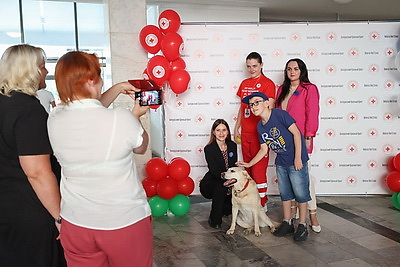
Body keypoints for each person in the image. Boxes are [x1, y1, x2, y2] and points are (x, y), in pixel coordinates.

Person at [47, 51, 153, 266]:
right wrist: (136, 116)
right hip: (123, 222)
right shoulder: (121, 118)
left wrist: (117, 88)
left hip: (76, 224)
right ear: (91, 80)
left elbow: (89, 112)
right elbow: (141, 147)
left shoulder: (54, 118)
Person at [0, 44, 66, 266]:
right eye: (42, 66)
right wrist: (59, 218)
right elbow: (37, 172)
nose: (46, 72)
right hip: (30, 211)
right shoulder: (27, 110)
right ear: (29, 70)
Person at [237, 92, 311, 242]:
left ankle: (303, 224)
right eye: (251, 104)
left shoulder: (279, 114)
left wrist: (298, 158)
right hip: (282, 161)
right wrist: (250, 163)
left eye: (256, 102)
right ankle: (287, 222)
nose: (253, 106)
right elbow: (264, 149)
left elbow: (297, 134)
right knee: (285, 193)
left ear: (266, 103)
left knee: (300, 193)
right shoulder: (260, 126)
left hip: (296, 159)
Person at [275, 58, 321, 233]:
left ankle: (312, 213)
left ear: (301, 70)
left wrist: (309, 136)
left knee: (304, 178)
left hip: (301, 138)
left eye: (295, 68)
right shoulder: (282, 89)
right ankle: (292, 214)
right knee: (288, 178)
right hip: (283, 140)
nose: (292, 72)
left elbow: (313, 112)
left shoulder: (309, 89)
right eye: (288, 69)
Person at [234, 52, 276, 210]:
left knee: (258, 172)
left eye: (255, 66)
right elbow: (242, 107)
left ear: (261, 65)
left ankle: (262, 204)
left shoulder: (268, 83)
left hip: (260, 135)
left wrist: (267, 133)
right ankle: (252, 203)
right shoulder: (244, 83)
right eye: (249, 66)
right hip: (245, 134)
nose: (251, 69)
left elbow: (269, 109)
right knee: (249, 170)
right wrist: (237, 126)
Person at [200, 119, 238, 229]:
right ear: (213, 132)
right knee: (221, 187)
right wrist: (228, 182)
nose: (221, 133)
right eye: (218, 130)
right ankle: (214, 220)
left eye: (224, 130)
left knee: (227, 209)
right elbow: (215, 171)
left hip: (229, 180)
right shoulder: (209, 149)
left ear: (227, 131)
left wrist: (233, 182)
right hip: (212, 181)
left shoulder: (232, 146)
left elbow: (233, 167)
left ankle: (225, 209)